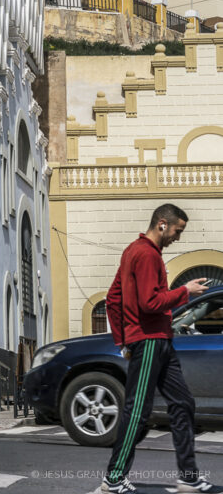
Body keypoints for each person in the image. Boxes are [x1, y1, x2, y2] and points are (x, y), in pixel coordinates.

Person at [101, 204, 221, 494]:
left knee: (183, 403)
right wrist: (184, 292)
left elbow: (112, 299)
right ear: (163, 225)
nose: (178, 237)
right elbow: (149, 303)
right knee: (137, 412)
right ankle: (114, 478)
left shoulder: (137, 252)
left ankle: (189, 478)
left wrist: (121, 340)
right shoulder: (145, 254)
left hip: (159, 340)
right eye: (178, 230)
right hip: (150, 340)